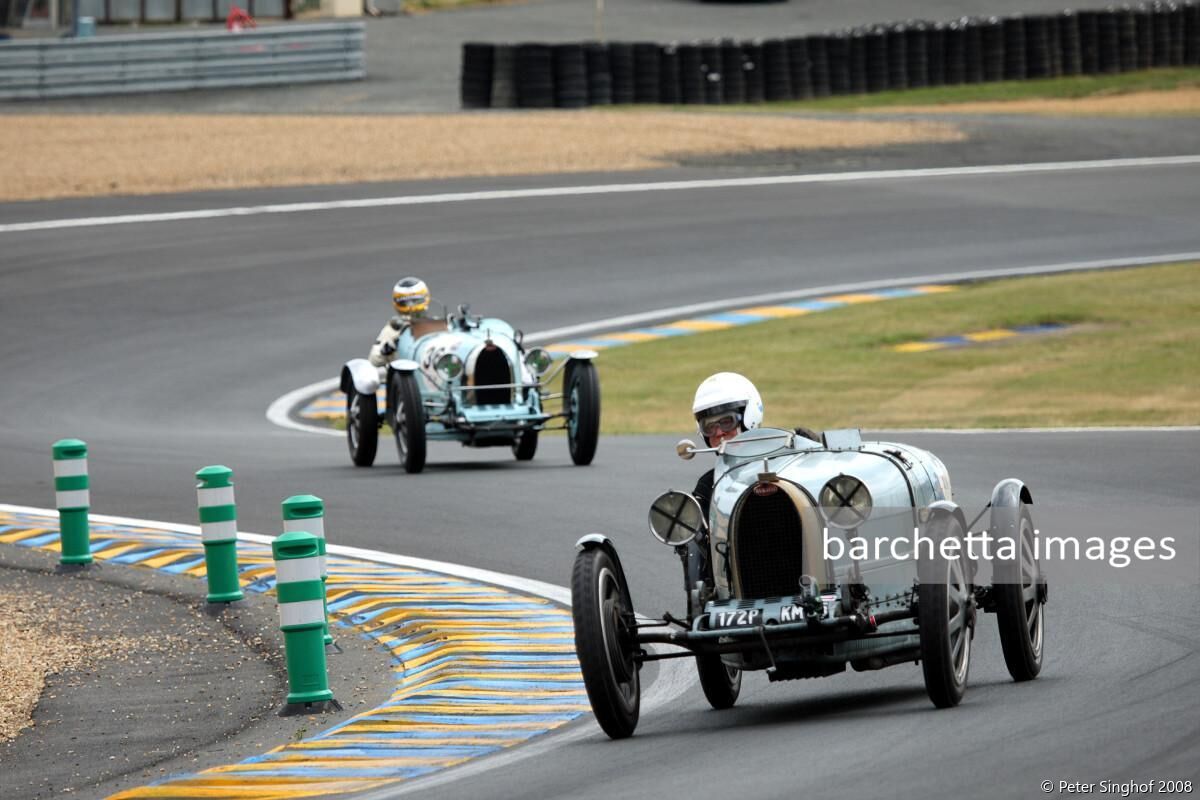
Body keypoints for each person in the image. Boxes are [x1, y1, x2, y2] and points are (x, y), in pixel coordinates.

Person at [689, 372, 821, 517]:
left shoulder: (794, 460)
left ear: (748, 417)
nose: (719, 432)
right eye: (709, 427)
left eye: (727, 422)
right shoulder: (708, 486)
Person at [368, 277, 430, 367]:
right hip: (404, 374)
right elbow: (373, 360)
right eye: (405, 303)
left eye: (415, 301)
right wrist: (388, 347)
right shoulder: (393, 329)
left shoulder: (435, 324)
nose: (411, 306)